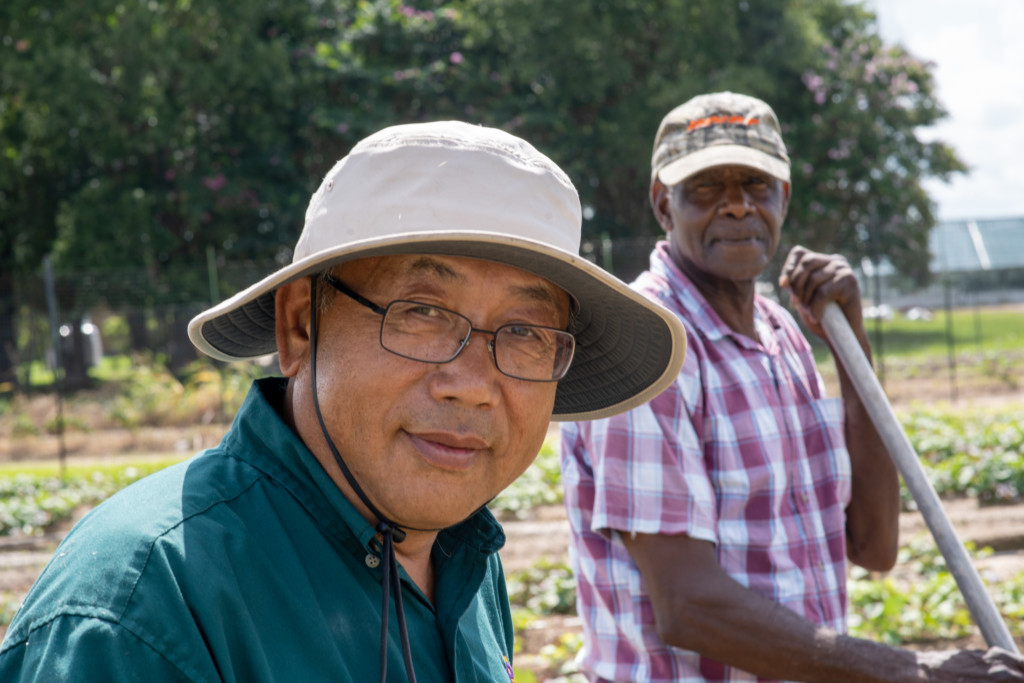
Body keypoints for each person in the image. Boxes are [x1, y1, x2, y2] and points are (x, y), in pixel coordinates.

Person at [0, 121, 687, 682]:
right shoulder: (147, 608)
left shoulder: (464, 558)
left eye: (526, 332)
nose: (473, 383)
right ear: (301, 326)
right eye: (422, 311)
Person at [560, 92, 1024, 682]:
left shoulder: (782, 334)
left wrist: (851, 348)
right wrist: (917, 671)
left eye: (757, 184)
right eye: (706, 187)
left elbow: (874, 545)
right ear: (662, 204)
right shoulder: (646, 348)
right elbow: (688, 606)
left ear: (784, 197)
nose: (736, 207)